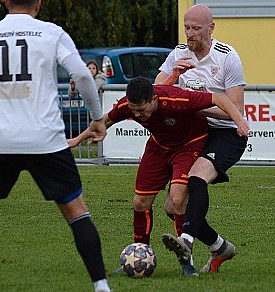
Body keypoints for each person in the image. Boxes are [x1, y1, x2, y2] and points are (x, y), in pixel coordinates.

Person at [0, 0, 118, 292]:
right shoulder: (51, 33)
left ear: (5, 2)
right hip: (46, 141)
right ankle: (102, 290)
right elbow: (81, 75)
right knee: (77, 213)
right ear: (38, 4)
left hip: (0, 141)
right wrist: (97, 118)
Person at [68, 76, 249, 276]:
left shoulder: (176, 98)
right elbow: (105, 121)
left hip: (190, 146)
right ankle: (139, 254)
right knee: (140, 202)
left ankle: (187, 263)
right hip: (159, 148)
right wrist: (77, 140)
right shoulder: (128, 106)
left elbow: (219, 99)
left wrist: (240, 122)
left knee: (178, 198)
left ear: (154, 99)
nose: (137, 114)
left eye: (141, 110)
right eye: (133, 110)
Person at [156, 4, 249, 276]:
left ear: (211, 28)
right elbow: (156, 90)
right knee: (174, 206)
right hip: (192, 133)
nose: (190, 34)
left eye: (196, 28)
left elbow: (235, 111)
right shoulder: (178, 54)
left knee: (196, 178)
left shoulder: (227, 57)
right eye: (186, 27)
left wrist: (192, 104)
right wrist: (174, 74)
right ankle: (219, 246)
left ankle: (186, 241)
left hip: (225, 133)